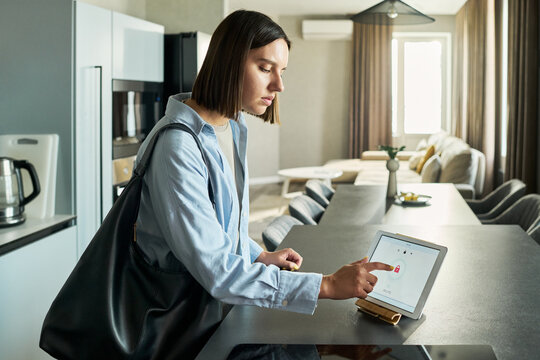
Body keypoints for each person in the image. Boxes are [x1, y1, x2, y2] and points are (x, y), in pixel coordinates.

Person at [135, 8, 392, 333]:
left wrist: (258, 255)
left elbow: (221, 233)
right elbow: (218, 271)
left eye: (281, 70)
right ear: (228, 62)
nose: (279, 84)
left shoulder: (233, 127)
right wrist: (326, 285)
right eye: (265, 68)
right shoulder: (178, 146)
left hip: (217, 311)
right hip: (180, 325)